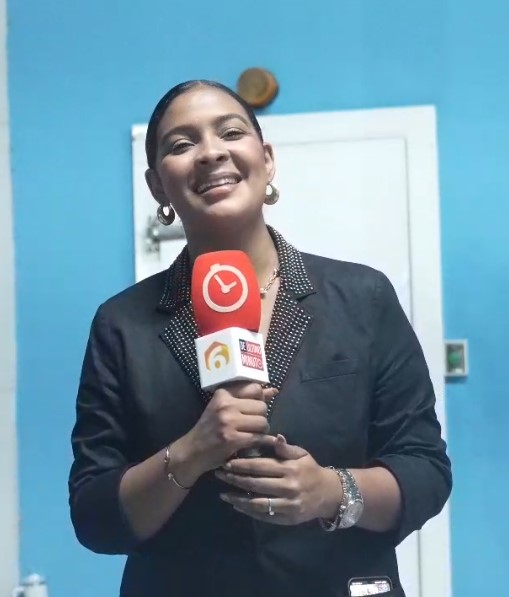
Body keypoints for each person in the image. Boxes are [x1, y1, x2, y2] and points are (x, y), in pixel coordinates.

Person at [68, 80, 452, 596]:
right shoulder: (122, 324)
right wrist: (191, 452)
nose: (211, 152)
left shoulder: (362, 297)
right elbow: (94, 515)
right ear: (157, 185)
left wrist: (331, 491)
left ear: (266, 160)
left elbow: (424, 469)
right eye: (181, 144)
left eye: (230, 133)